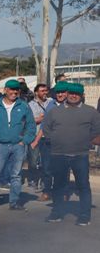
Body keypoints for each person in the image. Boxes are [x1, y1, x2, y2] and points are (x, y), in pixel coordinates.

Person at [42, 82, 100, 226]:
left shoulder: (91, 112)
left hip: (80, 155)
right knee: (59, 185)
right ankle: (56, 213)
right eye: (71, 93)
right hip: (59, 154)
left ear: (82, 95)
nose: (74, 96)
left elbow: (96, 130)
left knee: (83, 186)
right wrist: (55, 141)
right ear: (66, 94)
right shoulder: (55, 111)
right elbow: (46, 129)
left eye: (77, 93)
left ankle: (84, 215)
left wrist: (85, 141)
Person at [0, 79, 36, 211]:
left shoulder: (23, 106)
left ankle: (14, 202)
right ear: (5, 90)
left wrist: (25, 141)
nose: (14, 92)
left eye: (16, 90)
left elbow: (31, 126)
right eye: (11, 89)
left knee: (16, 175)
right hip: (0, 145)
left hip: (18, 146)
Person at [28, 82, 58, 201]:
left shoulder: (51, 102)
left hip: (48, 137)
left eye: (46, 90)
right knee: (34, 161)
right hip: (35, 135)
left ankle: (44, 185)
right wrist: (40, 119)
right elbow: (29, 121)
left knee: (46, 164)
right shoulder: (30, 104)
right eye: (42, 91)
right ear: (36, 92)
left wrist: (43, 119)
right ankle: (33, 179)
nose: (45, 93)